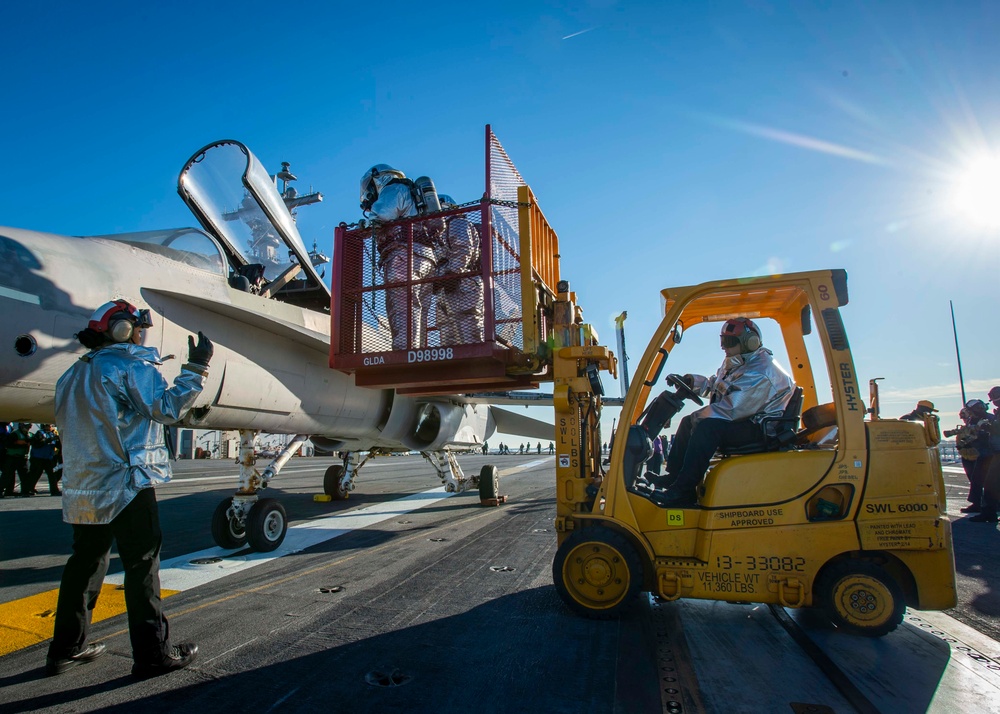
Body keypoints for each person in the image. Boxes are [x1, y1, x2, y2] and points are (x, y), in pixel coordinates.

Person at [46, 299, 213, 678]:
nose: (142, 332)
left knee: (84, 565)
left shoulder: (71, 375)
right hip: (127, 482)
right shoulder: (129, 365)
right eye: (138, 325)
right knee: (141, 566)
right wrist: (196, 369)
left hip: (84, 487)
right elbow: (167, 409)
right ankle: (152, 654)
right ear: (120, 329)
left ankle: (64, 650)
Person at [656, 317, 795, 507]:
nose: (724, 347)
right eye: (723, 341)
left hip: (760, 428)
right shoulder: (739, 362)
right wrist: (692, 382)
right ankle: (674, 478)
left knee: (706, 428)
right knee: (689, 422)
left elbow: (732, 409)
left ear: (749, 342)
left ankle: (683, 492)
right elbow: (717, 385)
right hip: (746, 419)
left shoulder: (762, 372)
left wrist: (698, 418)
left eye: (729, 342)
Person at [360, 165, 443, 351]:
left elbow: (380, 215)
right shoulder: (413, 195)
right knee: (418, 309)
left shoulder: (393, 189)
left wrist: (362, 226)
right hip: (426, 258)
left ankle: (404, 352)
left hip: (403, 255)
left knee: (402, 305)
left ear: (377, 180)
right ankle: (417, 351)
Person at [435, 194, 484, 345]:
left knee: (466, 324)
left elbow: (463, 249)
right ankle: (451, 364)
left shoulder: (457, 223)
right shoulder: (438, 233)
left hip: (464, 282)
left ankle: (475, 360)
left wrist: (453, 274)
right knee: (446, 329)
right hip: (446, 286)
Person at [962, 399, 994, 518]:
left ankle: (987, 506)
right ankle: (977, 503)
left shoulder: (989, 419)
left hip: (987, 453)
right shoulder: (972, 420)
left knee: (985, 481)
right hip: (975, 453)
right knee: (975, 479)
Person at [27, 423, 62, 496]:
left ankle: (54, 490)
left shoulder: (53, 435)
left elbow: (57, 445)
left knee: (52, 475)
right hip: (38, 458)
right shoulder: (39, 433)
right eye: (47, 426)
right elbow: (37, 444)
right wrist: (48, 440)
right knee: (35, 474)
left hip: (48, 458)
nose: (49, 427)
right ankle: (29, 489)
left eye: (50, 426)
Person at [1, 422, 31, 497]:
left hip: (22, 457)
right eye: (26, 426)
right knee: (7, 475)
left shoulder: (28, 434)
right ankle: (1, 491)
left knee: (24, 475)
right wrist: (18, 444)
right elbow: (8, 444)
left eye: (28, 427)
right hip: (12, 457)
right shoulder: (14, 434)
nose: (27, 428)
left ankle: (24, 491)